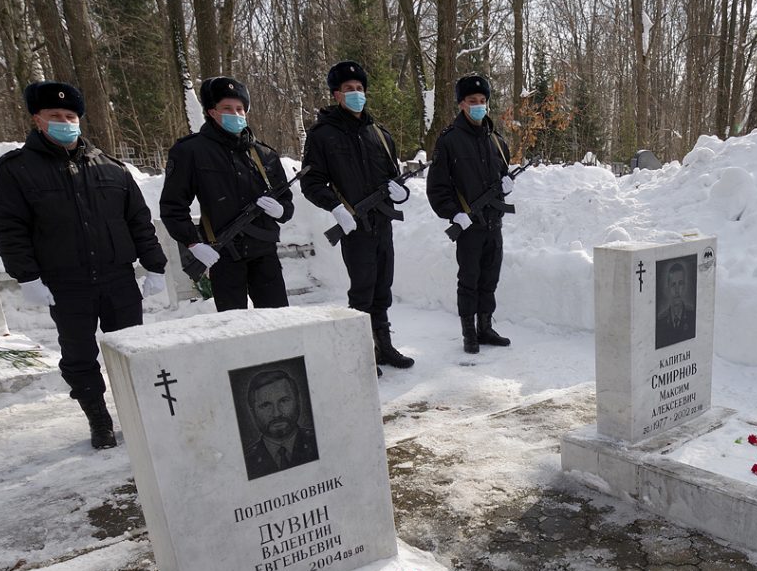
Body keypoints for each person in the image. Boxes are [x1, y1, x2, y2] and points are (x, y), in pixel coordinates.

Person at [0, 80, 167, 450]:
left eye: (70, 115)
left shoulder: (111, 167)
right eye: (55, 116)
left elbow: (138, 220)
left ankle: (138, 414)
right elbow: (10, 227)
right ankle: (99, 419)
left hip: (118, 278)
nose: (65, 122)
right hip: (66, 283)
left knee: (131, 348)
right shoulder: (17, 170)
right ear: (38, 119)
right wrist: (28, 277)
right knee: (79, 356)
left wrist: (155, 265)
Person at [299, 60, 414, 372]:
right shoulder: (322, 135)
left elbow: (392, 176)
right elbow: (310, 182)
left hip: (382, 223)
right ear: (336, 94)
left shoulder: (380, 134)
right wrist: (336, 208)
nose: (355, 94)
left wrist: (399, 192)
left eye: (359, 89)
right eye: (348, 89)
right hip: (354, 225)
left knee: (382, 288)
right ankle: (362, 351)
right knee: (362, 290)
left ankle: (384, 346)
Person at [160, 76, 295, 312]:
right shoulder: (191, 151)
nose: (236, 114)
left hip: (264, 253)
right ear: (212, 112)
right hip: (223, 254)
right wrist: (193, 243)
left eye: (240, 108)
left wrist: (281, 210)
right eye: (227, 108)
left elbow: (286, 202)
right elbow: (173, 206)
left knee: (279, 321)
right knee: (234, 329)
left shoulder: (263, 154)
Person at [426, 73, 515, 354]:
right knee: (469, 281)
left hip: (493, 224)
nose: (478, 105)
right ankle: (469, 333)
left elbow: (501, 176)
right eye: (472, 101)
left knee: (490, 279)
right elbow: (437, 188)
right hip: (468, 225)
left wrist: (505, 186)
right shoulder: (449, 141)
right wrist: (454, 214)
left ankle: (485, 328)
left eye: (482, 101)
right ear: (461, 105)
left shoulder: (497, 142)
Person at [242, 367, 318, 480]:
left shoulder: (317, 441)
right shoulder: (247, 461)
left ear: (298, 401)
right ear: (253, 411)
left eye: (284, 401)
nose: (276, 414)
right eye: (265, 405)